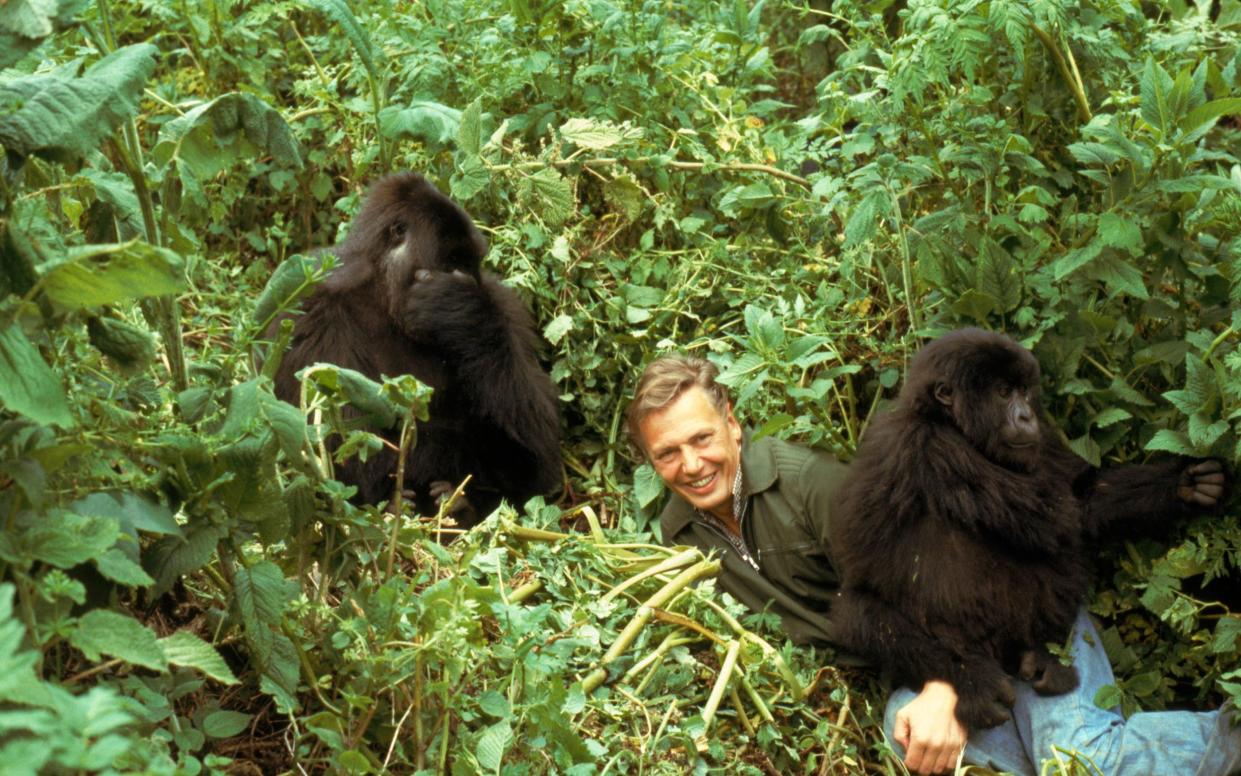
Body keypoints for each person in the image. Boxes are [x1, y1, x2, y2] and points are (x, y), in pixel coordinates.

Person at [626, 353, 1241, 776]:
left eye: (702, 438)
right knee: (913, 733)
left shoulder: (815, 488)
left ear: (732, 425)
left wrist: (950, 687)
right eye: (668, 454)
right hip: (934, 660)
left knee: (1081, 763)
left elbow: (943, 582)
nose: (690, 463)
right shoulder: (685, 535)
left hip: (1014, 616)